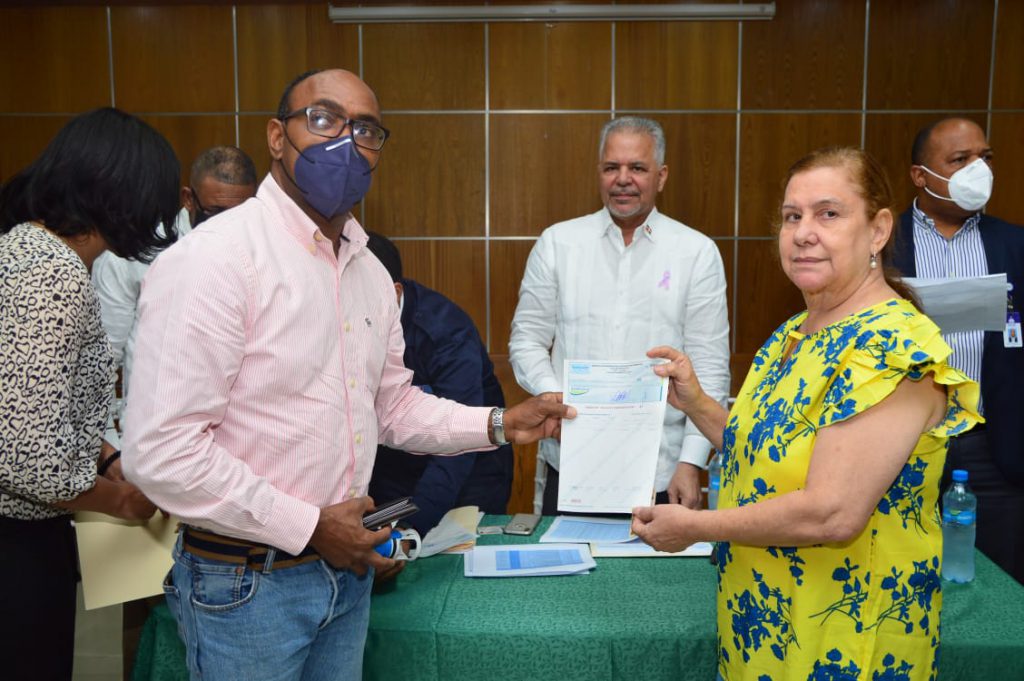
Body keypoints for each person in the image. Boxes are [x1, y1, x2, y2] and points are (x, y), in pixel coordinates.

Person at [121, 69, 572, 681]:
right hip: (249, 585)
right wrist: (308, 528)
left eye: (365, 130)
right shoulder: (214, 260)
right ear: (277, 137)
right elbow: (161, 453)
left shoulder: (363, 270)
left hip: (344, 579)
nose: (346, 142)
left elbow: (393, 408)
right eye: (324, 119)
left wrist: (500, 423)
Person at [631, 147, 981, 680]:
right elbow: (772, 452)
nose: (803, 232)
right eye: (792, 216)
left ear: (879, 230)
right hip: (764, 627)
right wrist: (698, 403)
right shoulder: (793, 333)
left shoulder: (892, 345)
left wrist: (698, 527)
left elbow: (832, 512)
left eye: (828, 213)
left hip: (843, 640)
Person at [0, 107, 175, 681]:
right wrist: (117, 500)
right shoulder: (49, 272)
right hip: (17, 542)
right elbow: (29, 458)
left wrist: (109, 457)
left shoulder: (31, 251)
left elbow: (42, 399)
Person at [510, 116, 730, 513]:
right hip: (573, 461)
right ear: (599, 173)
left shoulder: (696, 253)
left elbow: (709, 370)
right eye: (612, 167)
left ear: (661, 177)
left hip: (662, 472)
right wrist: (553, 396)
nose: (622, 179)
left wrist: (691, 462)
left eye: (637, 168)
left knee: (650, 578)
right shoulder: (558, 243)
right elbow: (526, 339)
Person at [892, 117, 1024, 585]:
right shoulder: (881, 245)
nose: (979, 170)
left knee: (998, 585)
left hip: (993, 448)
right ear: (920, 176)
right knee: (903, 577)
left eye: (984, 158)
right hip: (901, 446)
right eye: (960, 160)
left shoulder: (1014, 245)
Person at [91, 146, 257, 454]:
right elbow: (100, 361)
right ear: (188, 199)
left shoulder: (264, 248)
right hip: (155, 443)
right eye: (216, 212)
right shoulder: (136, 250)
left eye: (239, 213)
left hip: (241, 447)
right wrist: (111, 452)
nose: (227, 225)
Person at [365, 231, 514, 537]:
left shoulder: (445, 332)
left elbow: (460, 444)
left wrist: (410, 529)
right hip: (392, 467)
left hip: (468, 470)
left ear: (393, 293)